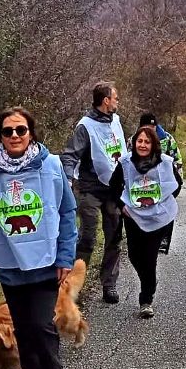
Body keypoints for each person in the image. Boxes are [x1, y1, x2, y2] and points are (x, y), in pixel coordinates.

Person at [0, 107, 78, 369]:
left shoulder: (52, 165)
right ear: (0, 136)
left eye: (21, 129)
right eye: (8, 131)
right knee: (23, 327)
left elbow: (67, 211)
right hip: (8, 263)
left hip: (46, 262)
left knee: (42, 324)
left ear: (31, 133)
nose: (15, 135)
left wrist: (65, 255)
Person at [61, 81, 126, 304]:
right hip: (90, 188)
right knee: (87, 237)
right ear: (106, 100)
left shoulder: (116, 121)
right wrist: (67, 179)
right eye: (115, 98)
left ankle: (109, 284)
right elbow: (70, 155)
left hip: (113, 189)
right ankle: (73, 286)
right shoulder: (85, 127)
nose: (117, 102)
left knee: (114, 236)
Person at [109, 126, 182, 318]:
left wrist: (162, 201)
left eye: (147, 142)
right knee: (134, 255)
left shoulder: (165, 162)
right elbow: (113, 186)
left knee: (149, 257)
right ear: (134, 143)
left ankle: (146, 299)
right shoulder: (125, 162)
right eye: (139, 141)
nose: (142, 145)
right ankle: (149, 280)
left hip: (158, 218)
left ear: (153, 144)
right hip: (133, 216)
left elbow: (177, 184)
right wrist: (121, 206)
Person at [135, 112, 184, 254]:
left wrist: (173, 183)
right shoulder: (135, 141)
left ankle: (164, 239)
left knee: (166, 210)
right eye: (146, 126)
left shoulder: (167, 139)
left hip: (164, 182)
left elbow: (177, 160)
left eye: (153, 127)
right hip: (143, 184)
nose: (150, 130)